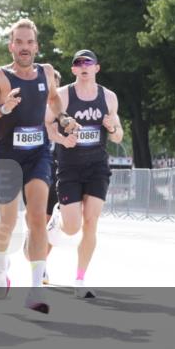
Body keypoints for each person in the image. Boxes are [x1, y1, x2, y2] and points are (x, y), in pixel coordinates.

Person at [0, 18, 77, 314]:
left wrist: (64, 118)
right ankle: (0, 267)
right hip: (8, 155)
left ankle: (34, 289)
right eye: (18, 42)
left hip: (38, 154)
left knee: (36, 218)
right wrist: (3, 109)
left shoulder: (46, 73)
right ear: (11, 46)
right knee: (7, 222)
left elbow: (55, 100)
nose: (24, 47)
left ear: (36, 46)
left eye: (29, 42)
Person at [46, 49, 123, 298]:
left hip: (97, 167)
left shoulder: (109, 97)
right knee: (71, 228)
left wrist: (112, 128)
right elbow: (47, 124)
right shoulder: (63, 96)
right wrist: (61, 139)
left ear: (97, 68)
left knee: (91, 223)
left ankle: (80, 280)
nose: (84, 66)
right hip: (69, 166)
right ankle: (57, 220)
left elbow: (119, 134)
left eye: (88, 62)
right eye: (78, 63)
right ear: (73, 70)